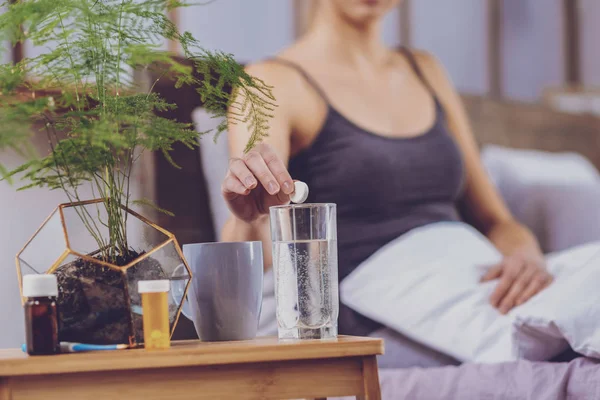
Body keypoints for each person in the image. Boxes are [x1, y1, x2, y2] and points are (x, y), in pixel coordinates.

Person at [220, 0, 553, 366]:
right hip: (375, 307)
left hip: (465, 283)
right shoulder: (271, 82)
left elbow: (496, 220)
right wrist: (250, 218)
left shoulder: (424, 70)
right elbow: (257, 221)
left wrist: (525, 253)